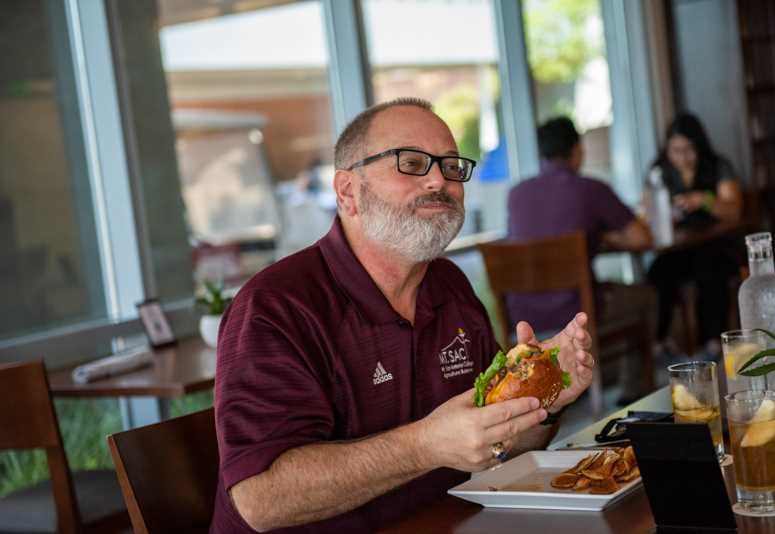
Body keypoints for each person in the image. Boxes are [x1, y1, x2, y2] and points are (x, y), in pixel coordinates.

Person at [210, 98, 594, 533]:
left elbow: (496, 441)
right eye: (411, 163)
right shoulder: (275, 307)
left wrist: (541, 400)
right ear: (347, 192)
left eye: (452, 167)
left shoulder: (449, 286)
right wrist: (425, 446)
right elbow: (260, 498)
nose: (438, 180)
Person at [506, 117, 652, 403]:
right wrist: (607, 237)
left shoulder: (516, 194)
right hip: (577, 311)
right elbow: (641, 238)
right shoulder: (590, 189)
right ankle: (634, 390)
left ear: (542, 154)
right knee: (645, 295)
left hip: (524, 316)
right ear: (577, 150)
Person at [646, 112, 742, 360]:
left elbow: (733, 210)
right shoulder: (660, 172)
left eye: (688, 150)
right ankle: (662, 342)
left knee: (710, 267)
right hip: (681, 249)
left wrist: (704, 200)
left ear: (699, 147)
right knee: (659, 271)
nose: (681, 157)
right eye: (675, 150)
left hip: (718, 245)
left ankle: (711, 343)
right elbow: (646, 212)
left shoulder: (717, 166)